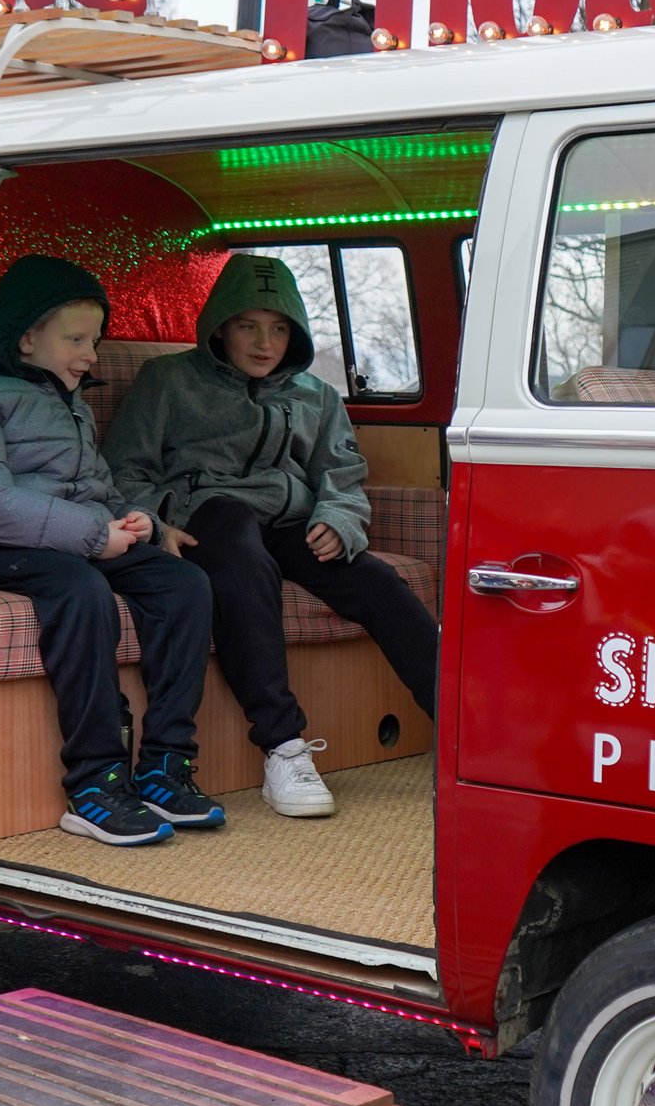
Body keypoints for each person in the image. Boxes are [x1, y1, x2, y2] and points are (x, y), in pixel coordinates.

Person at [105, 253, 437, 819]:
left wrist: (338, 518)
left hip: (289, 521)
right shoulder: (169, 381)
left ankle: (467, 737)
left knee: (376, 582)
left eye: (280, 328)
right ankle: (283, 746)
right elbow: (123, 469)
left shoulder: (316, 395)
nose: (265, 343)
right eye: (248, 326)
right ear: (220, 327)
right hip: (207, 515)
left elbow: (341, 474)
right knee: (241, 555)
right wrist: (160, 520)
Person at [0, 255, 222, 846]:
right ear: (25, 338)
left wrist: (141, 520)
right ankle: (95, 780)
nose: (90, 354)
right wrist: (97, 536)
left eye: (93, 340)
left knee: (185, 585)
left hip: (80, 538)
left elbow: (100, 486)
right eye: (75, 339)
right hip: (0, 550)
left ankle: (166, 764)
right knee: (81, 591)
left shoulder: (72, 398)